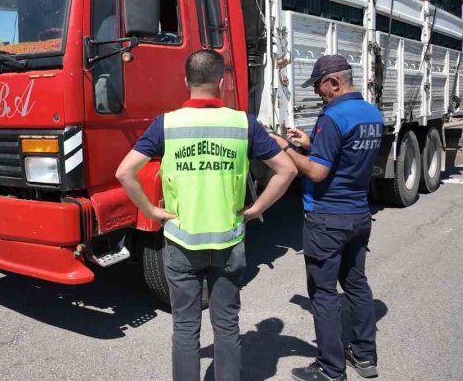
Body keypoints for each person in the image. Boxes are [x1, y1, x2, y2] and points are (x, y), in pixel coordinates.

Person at [116, 49, 297, 381]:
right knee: (226, 326)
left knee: (185, 328)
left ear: (187, 81)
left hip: (181, 243)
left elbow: (125, 172)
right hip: (228, 241)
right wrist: (256, 209)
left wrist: (152, 211)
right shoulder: (243, 123)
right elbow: (286, 170)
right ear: (222, 81)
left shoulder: (166, 124)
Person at [272, 55, 384, 381]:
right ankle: (364, 356)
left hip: (327, 218)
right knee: (356, 284)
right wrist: (311, 143)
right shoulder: (371, 114)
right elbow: (349, 156)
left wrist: (286, 148)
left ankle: (330, 369)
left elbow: (319, 172)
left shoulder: (333, 117)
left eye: (319, 86)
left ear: (334, 82)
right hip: (359, 215)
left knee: (323, 294)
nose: (318, 93)